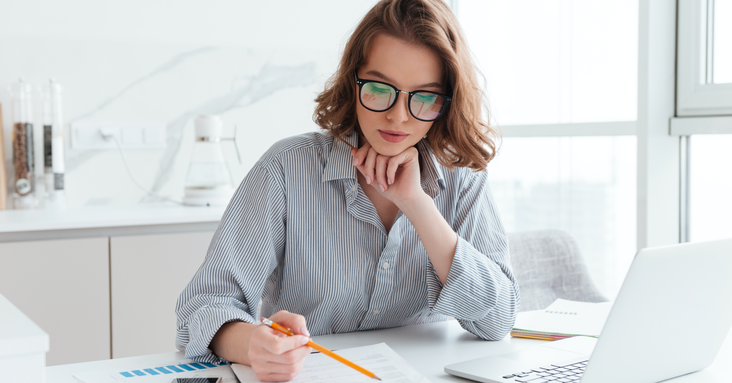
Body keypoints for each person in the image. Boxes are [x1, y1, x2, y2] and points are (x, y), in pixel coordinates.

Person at [175, 0, 519, 381]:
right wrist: (254, 343)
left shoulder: (462, 177)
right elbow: (203, 306)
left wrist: (418, 205)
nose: (398, 116)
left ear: (446, 101)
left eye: (424, 97)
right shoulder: (286, 169)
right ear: (352, 81)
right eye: (378, 88)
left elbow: (498, 318)